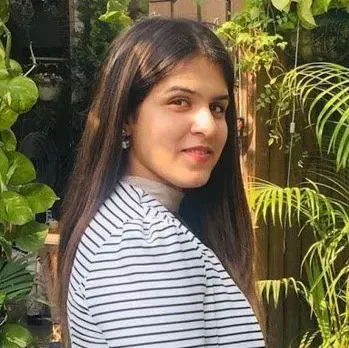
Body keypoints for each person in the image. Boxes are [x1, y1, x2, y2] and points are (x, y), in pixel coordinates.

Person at [58, 17, 265, 347]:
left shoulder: (121, 219)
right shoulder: (142, 242)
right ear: (127, 116)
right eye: (180, 101)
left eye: (217, 107)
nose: (208, 126)